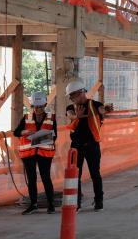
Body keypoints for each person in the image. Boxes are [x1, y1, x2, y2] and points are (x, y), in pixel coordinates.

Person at [65, 80, 113, 211]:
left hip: (92, 145)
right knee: (76, 175)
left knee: (95, 174)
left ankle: (99, 202)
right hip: (76, 147)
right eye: (70, 96)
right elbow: (71, 116)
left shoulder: (95, 105)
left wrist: (106, 110)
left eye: (72, 96)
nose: (71, 99)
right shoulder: (71, 108)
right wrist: (77, 117)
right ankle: (77, 203)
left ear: (81, 93)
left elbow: (102, 110)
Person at [13, 92, 57, 214]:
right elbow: (16, 132)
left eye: (40, 106)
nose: (38, 109)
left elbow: (54, 135)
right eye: (35, 107)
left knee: (45, 178)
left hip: (45, 154)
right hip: (29, 154)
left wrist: (34, 138)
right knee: (31, 179)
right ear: (32, 106)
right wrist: (24, 132)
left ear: (45, 105)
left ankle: (51, 204)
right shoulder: (27, 118)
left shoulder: (51, 118)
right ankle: (33, 204)